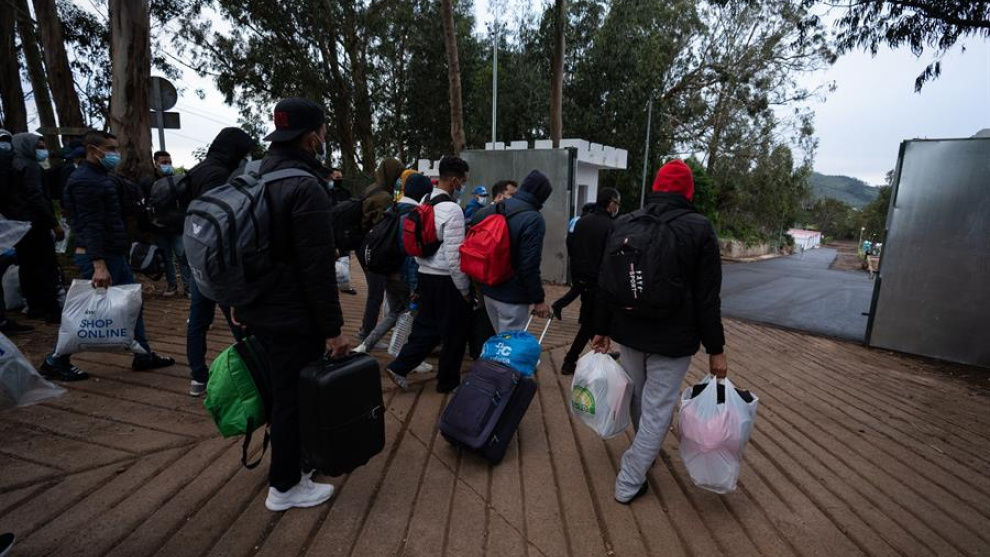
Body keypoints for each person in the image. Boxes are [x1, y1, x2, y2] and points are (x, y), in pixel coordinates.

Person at [591, 160, 727, 505]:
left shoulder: (625, 222)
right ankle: (630, 479)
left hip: (629, 330)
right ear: (688, 191)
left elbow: (606, 281)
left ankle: (643, 452)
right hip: (673, 337)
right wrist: (716, 348)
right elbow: (708, 297)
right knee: (658, 408)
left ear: (656, 187)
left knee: (639, 398)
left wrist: (601, 329)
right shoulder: (699, 228)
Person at [236, 98, 348, 512]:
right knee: (292, 400)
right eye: (323, 131)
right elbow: (316, 269)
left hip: (257, 307)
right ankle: (285, 487)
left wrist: (237, 300)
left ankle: (293, 464)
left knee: (279, 392)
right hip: (293, 315)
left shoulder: (254, 176)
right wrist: (333, 329)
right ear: (310, 136)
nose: (324, 138)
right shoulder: (306, 186)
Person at [41, 130, 175, 382]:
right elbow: (90, 224)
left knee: (133, 304)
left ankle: (143, 354)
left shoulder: (101, 177)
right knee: (85, 312)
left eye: (116, 149)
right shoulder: (86, 182)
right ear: (93, 150)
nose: (116, 154)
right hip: (99, 257)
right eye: (111, 149)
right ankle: (55, 360)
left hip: (112, 254)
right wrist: (99, 264)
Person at [385, 156, 472, 393]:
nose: (464, 185)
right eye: (463, 180)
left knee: (427, 327)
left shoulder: (425, 200)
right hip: (446, 279)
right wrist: (464, 289)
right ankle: (448, 383)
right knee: (454, 332)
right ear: (454, 180)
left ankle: (399, 367)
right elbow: (454, 257)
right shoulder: (452, 209)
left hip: (424, 274)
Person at [185, 127, 256, 397]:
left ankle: (198, 376)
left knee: (198, 320)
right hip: (219, 261)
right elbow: (224, 222)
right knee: (239, 321)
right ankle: (254, 374)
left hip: (197, 254)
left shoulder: (197, 170)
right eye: (245, 152)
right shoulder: (218, 175)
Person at [354, 173, 432, 376]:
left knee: (394, 313)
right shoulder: (413, 215)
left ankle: (364, 345)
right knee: (415, 317)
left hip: (387, 273)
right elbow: (411, 255)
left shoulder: (393, 208)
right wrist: (415, 287)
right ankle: (407, 358)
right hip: (404, 276)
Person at [474, 170, 553, 332]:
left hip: (488, 289)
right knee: (510, 344)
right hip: (512, 296)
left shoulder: (495, 208)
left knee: (498, 339)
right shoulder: (533, 218)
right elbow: (529, 265)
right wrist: (538, 299)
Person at [557, 189, 621, 375]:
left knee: (590, 319)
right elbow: (610, 259)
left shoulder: (582, 222)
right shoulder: (611, 226)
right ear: (611, 204)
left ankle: (598, 353)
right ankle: (570, 360)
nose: (617, 207)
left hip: (581, 279)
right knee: (591, 322)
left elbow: (573, 248)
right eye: (617, 203)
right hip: (599, 283)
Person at [8, 133, 64, 323]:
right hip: (36, 224)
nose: (43, 151)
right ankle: (52, 309)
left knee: (27, 266)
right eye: (39, 147)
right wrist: (54, 223)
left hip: (18, 226)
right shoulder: (30, 166)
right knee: (46, 266)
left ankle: (35, 306)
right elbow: (37, 197)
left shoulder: (12, 165)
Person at [358, 158, 402, 341]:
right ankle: (366, 334)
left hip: (363, 245)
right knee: (376, 294)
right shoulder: (384, 197)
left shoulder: (372, 189)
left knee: (374, 292)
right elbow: (383, 226)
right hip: (374, 248)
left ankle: (366, 330)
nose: (399, 179)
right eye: (398, 174)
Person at [146, 150, 190, 297]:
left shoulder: (177, 180)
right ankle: (172, 285)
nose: (168, 165)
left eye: (169, 162)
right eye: (164, 162)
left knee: (182, 256)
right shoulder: (149, 182)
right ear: (156, 163)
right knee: (166, 258)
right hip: (159, 228)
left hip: (177, 226)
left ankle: (188, 286)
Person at [553, 201, 600, 320]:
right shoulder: (586, 223)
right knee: (579, 288)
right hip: (582, 261)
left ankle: (582, 316)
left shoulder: (575, 220)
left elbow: (569, 241)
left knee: (583, 288)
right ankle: (559, 305)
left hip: (575, 259)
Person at [328, 167, 358, 296]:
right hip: (329, 229)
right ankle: (329, 284)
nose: (339, 180)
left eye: (340, 178)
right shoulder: (326, 192)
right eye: (336, 178)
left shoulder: (346, 193)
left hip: (343, 230)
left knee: (344, 257)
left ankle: (343, 285)